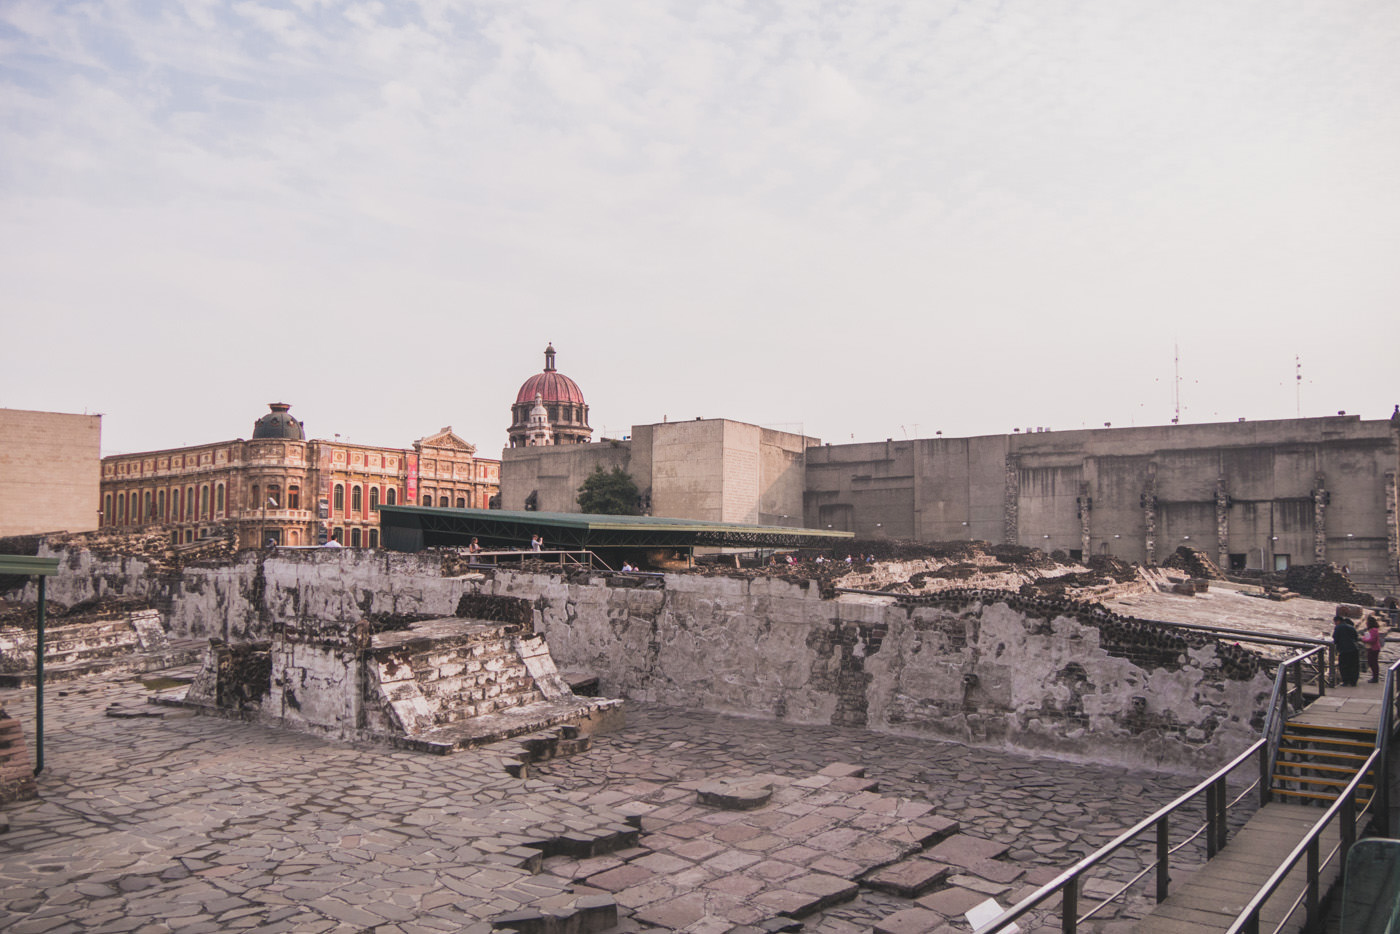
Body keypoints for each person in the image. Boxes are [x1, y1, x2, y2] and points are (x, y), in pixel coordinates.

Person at [1333, 615, 1361, 687]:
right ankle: (1353, 681)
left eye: (1335, 622)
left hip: (1344, 650)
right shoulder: (1351, 627)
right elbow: (1356, 637)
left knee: (1344, 666)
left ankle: (1345, 681)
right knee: (1354, 665)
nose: (1335, 624)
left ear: (1338, 621)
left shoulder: (1338, 628)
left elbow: (1335, 639)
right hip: (1354, 649)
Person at [1363, 617, 1384, 683]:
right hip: (1372, 648)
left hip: (1374, 648)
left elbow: (1373, 640)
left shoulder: (1374, 630)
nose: (1366, 623)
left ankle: (1375, 678)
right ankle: (1374, 677)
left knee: (1373, 663)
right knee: (1372, 662)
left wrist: (1364, 639)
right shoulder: (1372, 630)